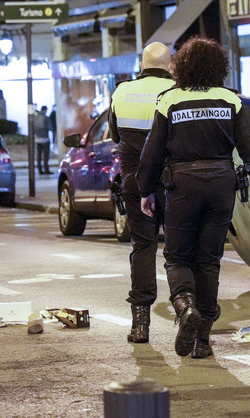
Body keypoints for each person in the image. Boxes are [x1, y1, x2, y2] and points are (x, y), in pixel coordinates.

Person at [137, 37, 250, 358]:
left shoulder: (169, 100)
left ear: (181, 66)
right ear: (218, 67)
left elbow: (152, 152)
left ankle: (185, 308)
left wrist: (145, 190)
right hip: (221, 183)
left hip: (183, 184)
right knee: (209, 260)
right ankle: (203, 340)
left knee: (178, 257)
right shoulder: (231, 100)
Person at [108, 42, 175, 344]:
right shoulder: (177, 92)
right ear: (169, 64)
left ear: (142, 64)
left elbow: (115, 134)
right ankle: (187, 313)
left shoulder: (121, 91)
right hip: (173, 182)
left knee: (143, 247)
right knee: (179, 251)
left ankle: (140, 324)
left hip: (135, 182)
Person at [33, 106, 53, 175]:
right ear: (45, 110)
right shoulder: (45, 117)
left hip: (37, 139)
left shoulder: (35, 117)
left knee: (38, 155)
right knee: (46, 155)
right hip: (45, 139)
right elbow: (50, 128)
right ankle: (46, 169)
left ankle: (40, 170)